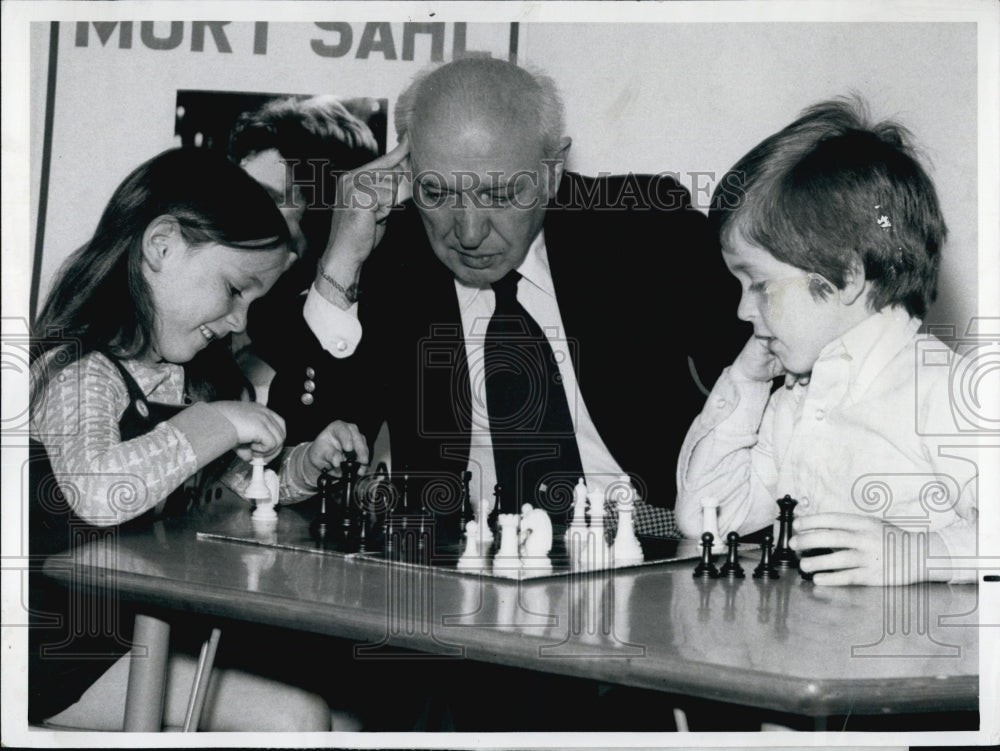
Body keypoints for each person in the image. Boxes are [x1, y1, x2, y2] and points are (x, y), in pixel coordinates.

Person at [254, 58, 747, 534]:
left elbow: (771, 383)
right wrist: (341, 261)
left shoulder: (646, 236)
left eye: (500, 195)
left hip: (655, 549)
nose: (467, 233)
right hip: (465, 569)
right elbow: (298, 448)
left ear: (552, 172)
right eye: (436, 192)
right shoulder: (393, 260)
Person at [29, 147, 369, 729]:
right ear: (161, 246)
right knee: (299, 719)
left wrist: (303, 466)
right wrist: (216, 422)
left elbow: (245, 478)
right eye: (235, 291)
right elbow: (97, 489)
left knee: (339, 713)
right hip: (52, 658)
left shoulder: (183, 379)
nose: (239, 322)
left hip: (134, 635)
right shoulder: (78, 371)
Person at [674, 98, 977, 585]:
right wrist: (747, 384)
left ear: (846, 277)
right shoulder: (792, 403)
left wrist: (925, 554)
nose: (742, 311)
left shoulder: (947, 392)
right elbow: (707, 518)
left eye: (759, 284)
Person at [228, 95, 379, 398]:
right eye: (236, 192)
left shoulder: (366, 337)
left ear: (321, 217)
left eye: (266, 198)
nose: (237, 213)